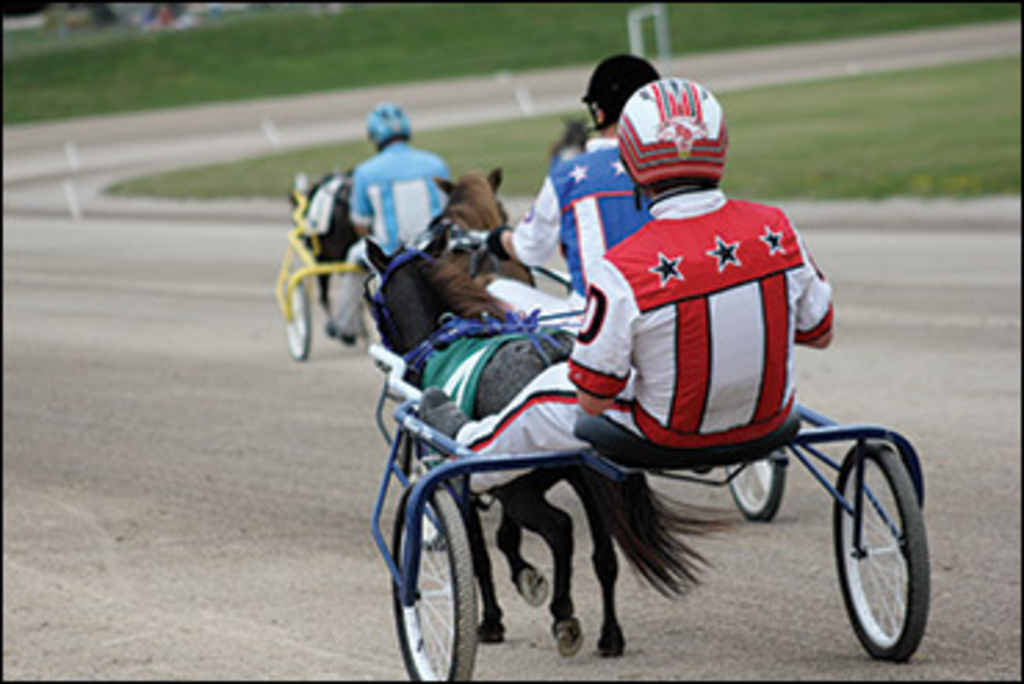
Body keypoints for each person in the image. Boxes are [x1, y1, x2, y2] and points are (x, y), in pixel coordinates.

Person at [421, 77, 834, 493]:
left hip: (667, 434)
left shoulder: (623, 267)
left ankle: (466, 455)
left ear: (633, 159)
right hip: (769, 419)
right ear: (721, 144)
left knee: (546, 392)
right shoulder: (776, 228)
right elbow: (819, 330)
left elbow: (594, 398)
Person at [484, 54, 661, 309]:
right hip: (671, 311)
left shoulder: (566, 175)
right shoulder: (678, 165)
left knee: (495, 289)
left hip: (592, 323)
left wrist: (500, 239)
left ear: (599, 113)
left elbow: (530, 251)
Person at [327, 102, 450, 344]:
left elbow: (360, 224)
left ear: (375, 138)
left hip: (391, 251)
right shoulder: (435, 163)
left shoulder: (365, 172)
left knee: (354, 259)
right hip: (434, 248)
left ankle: (345, 324)